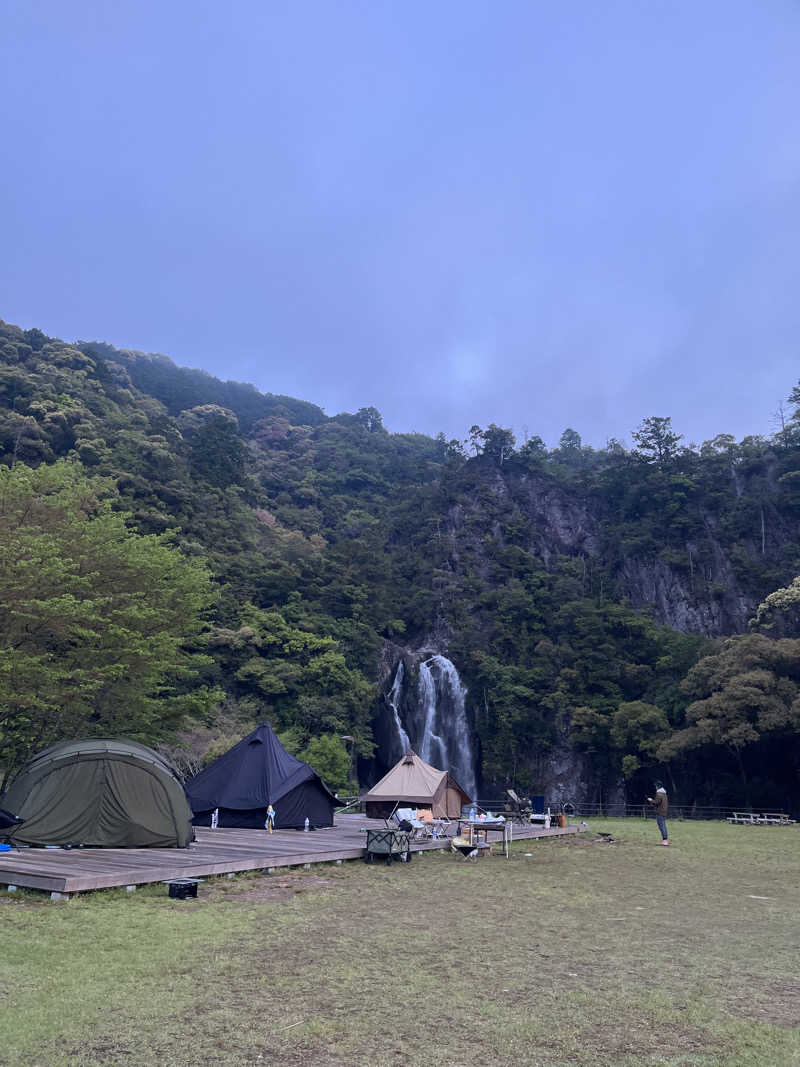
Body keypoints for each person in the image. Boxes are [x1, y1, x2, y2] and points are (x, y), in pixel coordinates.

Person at [646, 780, 669, 845]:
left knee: (661, 826)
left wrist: (650, 800)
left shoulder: (659, 794)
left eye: (655, 786)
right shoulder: (664, 794)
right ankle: (665, 840)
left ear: (657, 786)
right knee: (663, 825)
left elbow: (656, 802)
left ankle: (665, 841)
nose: (655, 787)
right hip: (664, 811)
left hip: (660, 812)